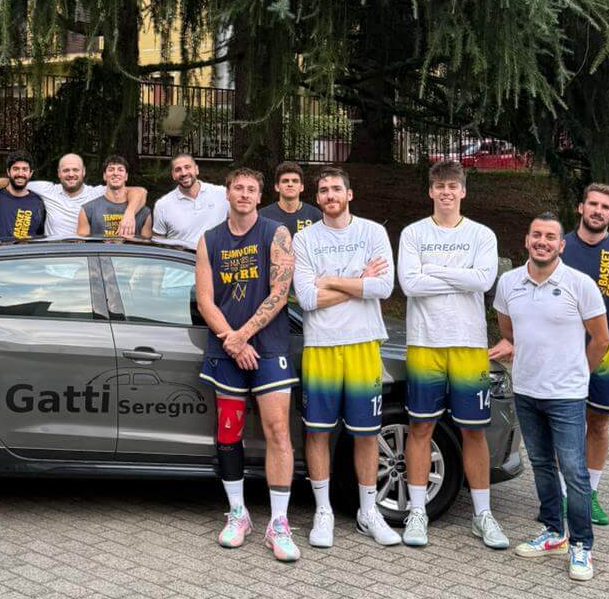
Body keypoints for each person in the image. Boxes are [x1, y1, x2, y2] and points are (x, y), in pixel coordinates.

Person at [490, 214, 609, 582]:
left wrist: (579, 372)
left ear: (561, 245)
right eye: (537, 235)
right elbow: (508, 329)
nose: (543, 241)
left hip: (567, 395)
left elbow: (601, 339)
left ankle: (582, 545)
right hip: (526, 389)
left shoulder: (580, 284)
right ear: (527, 241)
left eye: (550, 237)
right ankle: (554, 532)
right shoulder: (509, 282)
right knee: (541, 463)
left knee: (573, 470)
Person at [397, 159, 508, 550]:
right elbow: (410, 284)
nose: (446, 192)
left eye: (452, 186)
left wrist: (435, 270)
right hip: (425, 342)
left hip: (469, 345)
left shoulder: (481, 234)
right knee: (420, 428)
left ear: (463, 191)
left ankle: (483, 514)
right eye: (440, 186)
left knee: (473, 430)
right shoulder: (413, 233)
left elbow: (484, 279)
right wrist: (460, 275)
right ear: (431, 191)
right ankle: (417, 512)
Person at [293, 167, 400, 550]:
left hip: (363, 343)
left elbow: (383, 286)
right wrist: (358, 281)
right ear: (317, 198)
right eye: (323, 190)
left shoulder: (372, 233)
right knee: (317, 431)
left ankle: (368, 512)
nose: (330, 195)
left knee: (367, 433)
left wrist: (332, 280)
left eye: (336, 188)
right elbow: (307, 298)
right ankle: (323, 511)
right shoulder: (305, 238)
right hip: (321, 345)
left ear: (349, 194)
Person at [195, 168, 299, 562]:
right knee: (228, 433)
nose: (243, 194)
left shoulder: (276, 233)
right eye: (237, 187)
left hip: (268, 348)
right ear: (227, 193)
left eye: (251, 189)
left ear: (259, 196)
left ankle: (279, 523)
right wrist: (232, 340)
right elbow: (205, 301)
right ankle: (238, 513)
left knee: (278, 432)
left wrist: (245, 335)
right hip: (227, 351)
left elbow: (280, 292)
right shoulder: (209, 240)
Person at [561, 183, 609, 526]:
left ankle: (589, 495)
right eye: (593, 204)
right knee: (563, 423)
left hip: (607, 350)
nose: (598, 210)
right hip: (564, 348)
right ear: (581, 207)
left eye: (605, 207)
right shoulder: (560, 246)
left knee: (599, 423)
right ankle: (563, 495)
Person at [0, 151, 146, 239]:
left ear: (83, 172)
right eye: (66, 170)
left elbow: (140, 192)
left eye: (75, 170)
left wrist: (129, 213)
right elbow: (16, 180)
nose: (71, 174)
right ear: (59, 173)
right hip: (53, 260)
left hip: (85, 260)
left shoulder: (96, 192)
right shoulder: (47, 190)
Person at [153, 153, 229, 246]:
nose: (184, 173)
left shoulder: (222, 194)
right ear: (173, 175)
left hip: (216, 255)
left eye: (187, 167)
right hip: (182, 255)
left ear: (196, 170)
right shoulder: (162, 205)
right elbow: (159, 243)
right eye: (178, 170)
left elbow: (240, 222)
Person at [77, 155, 153, 238]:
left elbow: (147, 243)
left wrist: (131, 240)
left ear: (126, 176)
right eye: (111, 170)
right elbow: (82, 243)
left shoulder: (144, 212)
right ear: (104, 176)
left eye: (120, 170)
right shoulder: (87, 210)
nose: (116, 173)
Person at [0, 152, 48, 240]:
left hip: (21, 249)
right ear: (8, 172)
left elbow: (39, 235)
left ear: (31, 173)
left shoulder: (38, 203)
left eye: (24, 169)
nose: (20, 174)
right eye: (16, 169)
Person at [260, 162, 322, 234]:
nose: (290, 184)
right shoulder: (263, 215)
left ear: (302, 187)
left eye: (295, 181)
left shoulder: (315, 215)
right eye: (285, 181)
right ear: (277, 187)